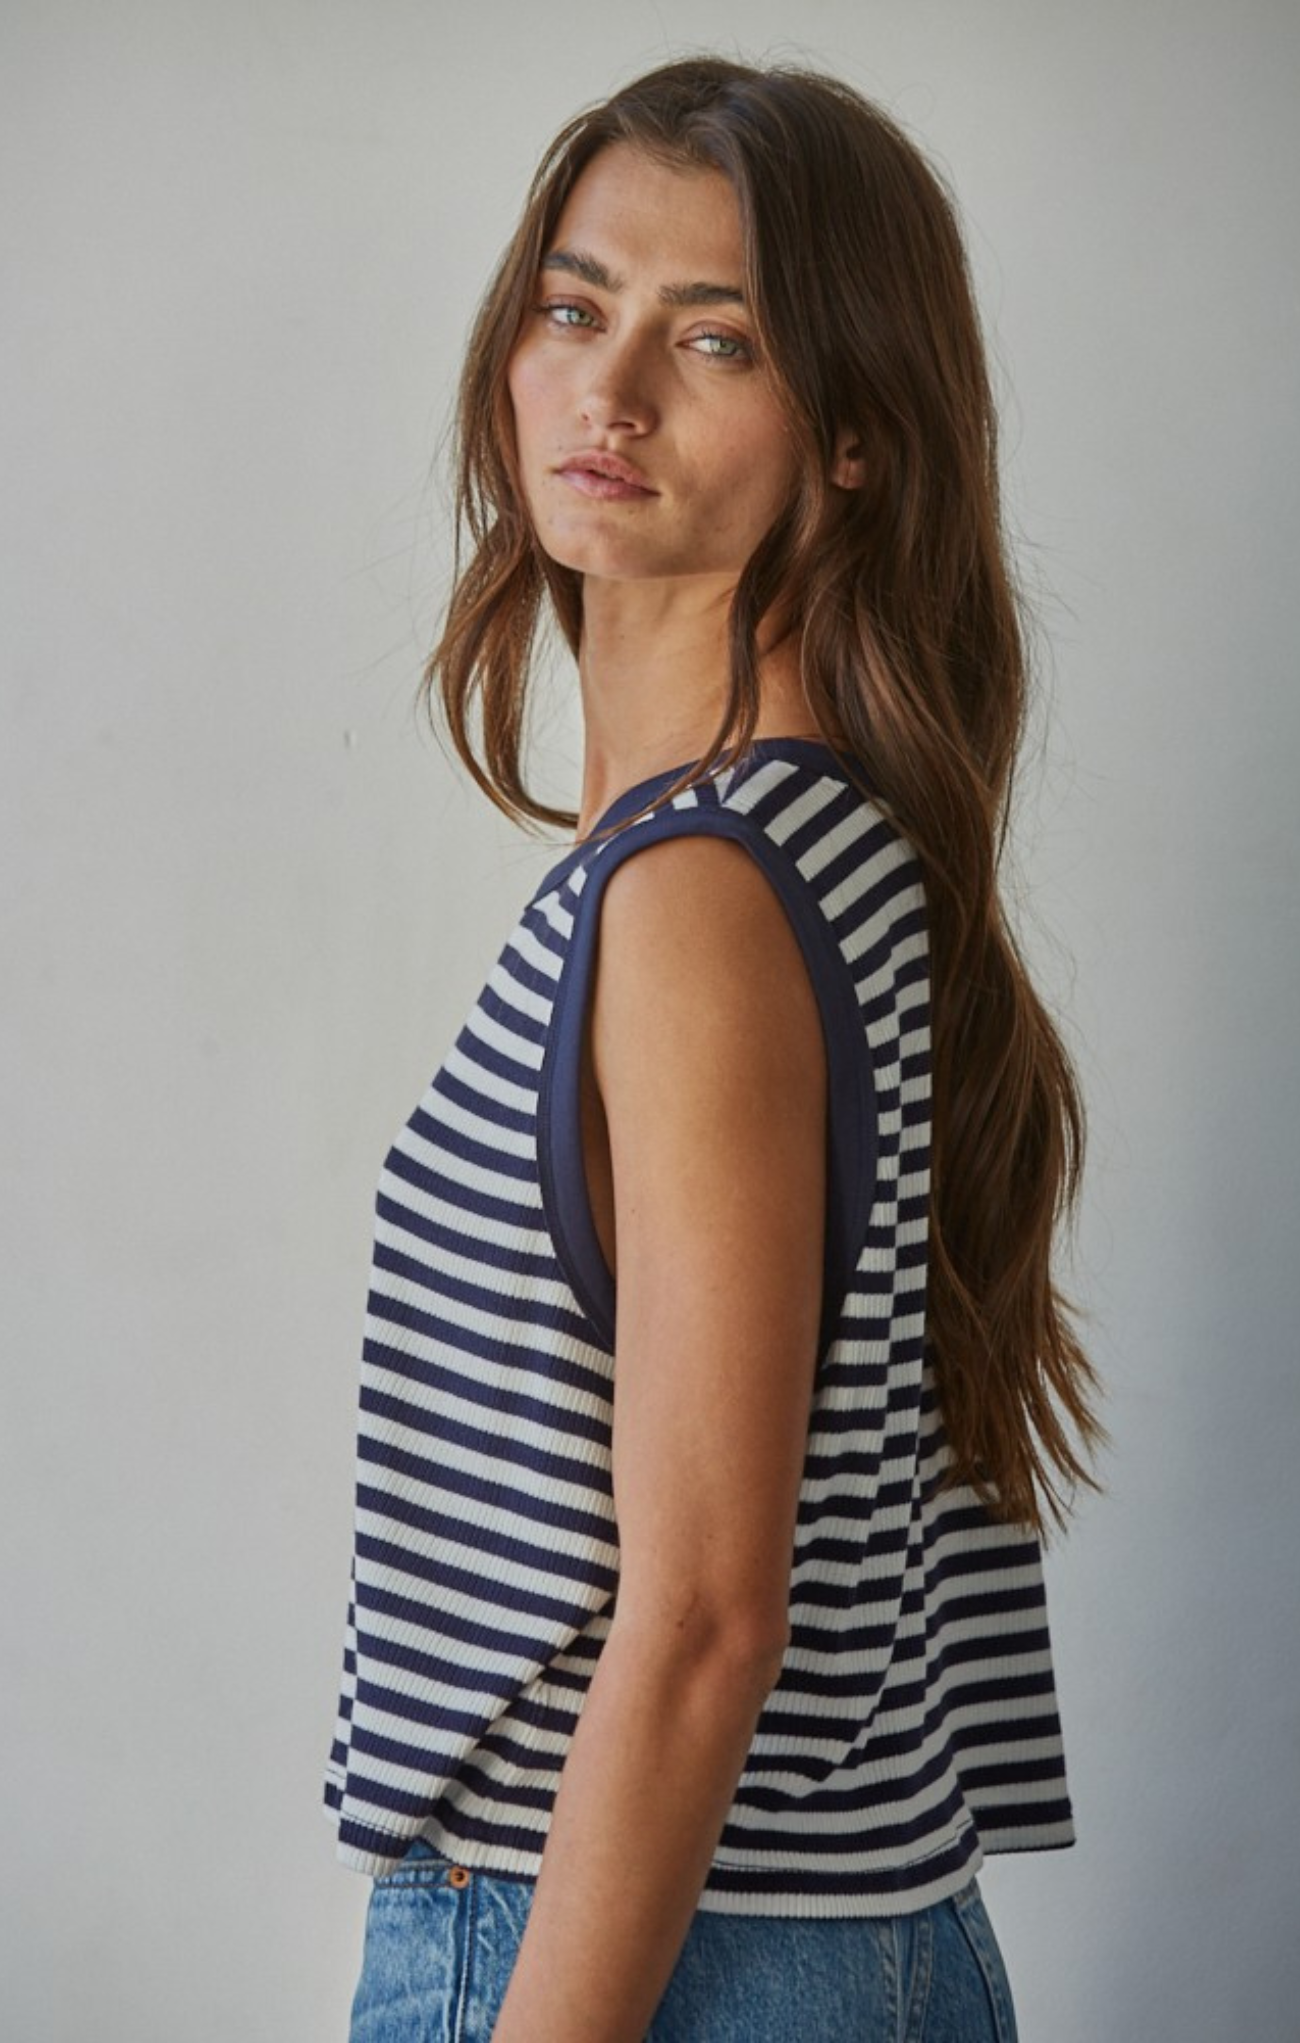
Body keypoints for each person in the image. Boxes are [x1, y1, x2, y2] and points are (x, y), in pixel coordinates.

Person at [323, 53, 1102, 2043]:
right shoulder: (831, 848)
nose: (609, 389)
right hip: (829, 1936)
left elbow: (696, 1620)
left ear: (849, 434)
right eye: (574, 308)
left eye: (715, 337)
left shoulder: (698, 896)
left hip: (655, 1957)